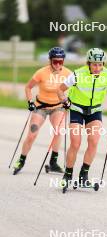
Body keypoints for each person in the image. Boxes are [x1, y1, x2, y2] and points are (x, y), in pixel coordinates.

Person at [57, 48, 107, 190]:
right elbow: (60, 90)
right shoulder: (78, 74)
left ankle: (83, 176)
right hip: (77, 110)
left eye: (100, 64)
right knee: (75, 143)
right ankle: (67, 175)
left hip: (94, 111)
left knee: (93, 141)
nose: (97, 68)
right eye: (94, 64)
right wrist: (64, 101)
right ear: (88, 63)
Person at [13, 47, 72, 175]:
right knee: (32, 134)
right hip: (41, 107)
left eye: (60, 62)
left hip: (58, 107)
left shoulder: (68, 73)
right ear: (50, 60)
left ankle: (53, 163)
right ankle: (21, 160)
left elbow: (74, 89)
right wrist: (30, 102)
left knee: (59, 131)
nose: (58, 64)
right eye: (55, 61)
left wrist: (69, 101)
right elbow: (28, 87)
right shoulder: (41, 72)